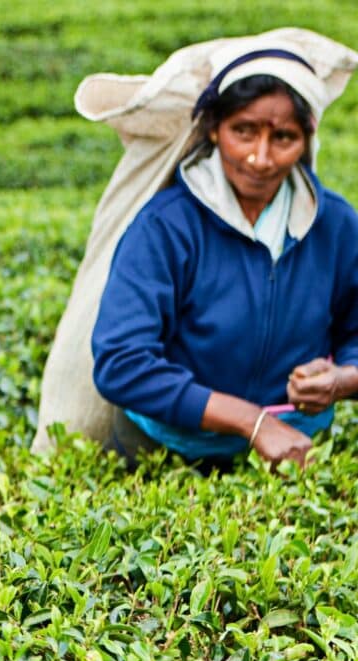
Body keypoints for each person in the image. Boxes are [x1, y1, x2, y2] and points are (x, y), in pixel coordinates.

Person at [92, 42, 358, 473]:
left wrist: (344, 379)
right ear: (215, 129)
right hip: (166, 450)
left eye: (284, 138)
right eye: (245, 131)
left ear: (307, 138)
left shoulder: (336, 226)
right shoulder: (167, 227)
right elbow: (122, 362)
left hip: (295, 452)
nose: (261, 157)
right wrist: (252, 423)